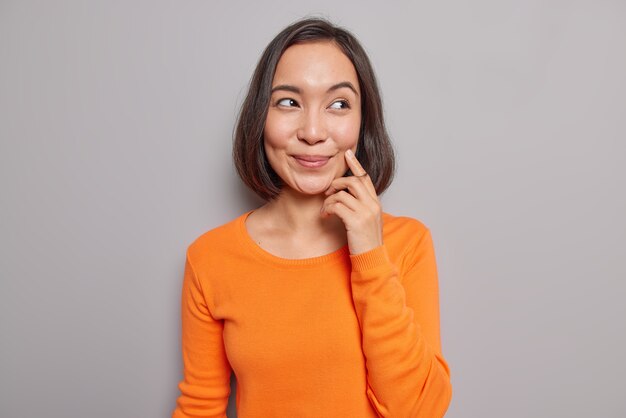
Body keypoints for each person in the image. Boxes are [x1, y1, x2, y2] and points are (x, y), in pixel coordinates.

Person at [172, 17, 452, 418]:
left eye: (338, 104)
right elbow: (199, 408)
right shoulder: (210, 258)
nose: (314, 131)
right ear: (259, 117)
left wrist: (371, 256)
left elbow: (419, 411)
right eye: (289, 102)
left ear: (362, 122)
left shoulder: (407, 244)